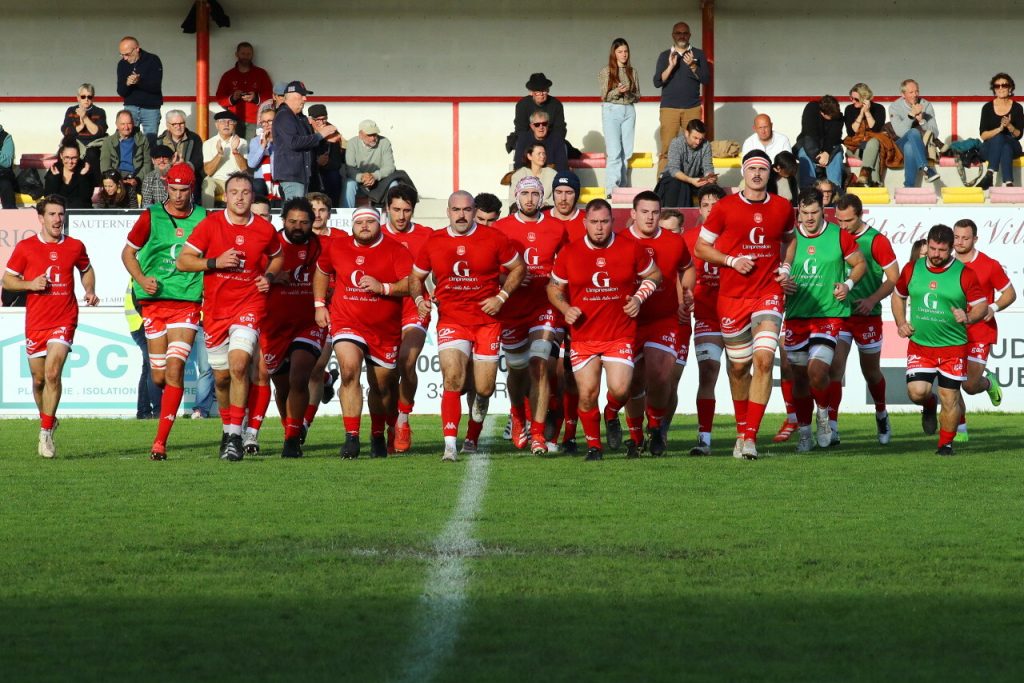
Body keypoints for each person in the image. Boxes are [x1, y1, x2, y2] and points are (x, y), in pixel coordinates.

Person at [694, 150, 796, 460]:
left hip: (767, 294)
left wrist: (786, 267)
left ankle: (750, 438)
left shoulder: (782, 207)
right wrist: (731, 260)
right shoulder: (724, 208)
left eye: (762, 170)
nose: (756, 174)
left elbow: (790, 240)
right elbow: (701, 247)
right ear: (743, 172)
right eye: (751, 168)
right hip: (732, 299)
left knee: (764, 360)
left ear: (770, 174)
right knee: (739, 369)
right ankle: (741, 431)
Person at [410, 191, 526, 461]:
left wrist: (501, 297)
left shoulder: (494, 238)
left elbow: (519, 268)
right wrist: (419, 299)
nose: (461, 215)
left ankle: (473, 435)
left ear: (474, 211)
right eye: (456, 210)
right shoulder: (434, 241)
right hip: (452, 319)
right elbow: (416, 277)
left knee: (483, 388)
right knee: (453, 379)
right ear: (448, 212)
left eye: (466, 209)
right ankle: (450, 444)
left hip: (487, 322)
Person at [176, 172, 283, 461]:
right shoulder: (211, 225)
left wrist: (269, 276)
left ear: (252, 196)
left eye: (245, 192)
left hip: (249, 306)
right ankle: (228, 428)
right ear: (226, 195)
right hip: (215, 312)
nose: (239, 197)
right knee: (221, 379)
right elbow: (183, 261)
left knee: (239, 365)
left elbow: (278, 256)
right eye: (234, 191)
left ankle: (236, 435)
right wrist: (214, 262)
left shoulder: (263, 229)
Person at [548, 199, 662, 460]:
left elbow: (654, 274)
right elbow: (553, 288)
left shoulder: (630, 248)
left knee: (621, 389)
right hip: (583, 335)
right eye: (595, 222)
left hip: (619, 333)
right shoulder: (570, 252)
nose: (600, 228)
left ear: (613, 221)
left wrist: (638, 298)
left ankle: (611, 413)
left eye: (605, 221)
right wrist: (566, 309)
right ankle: (594, 447)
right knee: (587, 394)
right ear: (585, 222)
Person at [121, 163, 207, 459]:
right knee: (158, 376)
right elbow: (128, 253)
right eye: (173, 189)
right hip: (154, 304)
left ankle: (160, 443)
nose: (179, 195)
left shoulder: (204, 218)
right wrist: (142, 279)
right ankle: (163, 419)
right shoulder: (151, 216)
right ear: (166, 186)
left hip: (186, 302)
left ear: (192, 188)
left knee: (175, 370)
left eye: (184, 190)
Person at [2, 195, 98, 457]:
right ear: (41, 218)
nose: (58, 219)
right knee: (38, 380)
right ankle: (47, 418)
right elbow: (8, 281)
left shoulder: (75, 246)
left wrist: (89, 290)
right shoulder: (26, 248)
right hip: (36, 322)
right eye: (53, 214)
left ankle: (45, 433)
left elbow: (86, 269)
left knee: (53, 373)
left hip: (64, 318)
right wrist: (30, 284)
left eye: (61, 214)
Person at [315, 207, 413, 458]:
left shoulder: (395, 250)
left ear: (379, 223)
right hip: (347, 321)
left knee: (383, 387)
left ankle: (378, 433)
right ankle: (352, 438)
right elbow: (322, 271)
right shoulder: (337, 246)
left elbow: (411, 284)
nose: (365, 226)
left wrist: (384, 287)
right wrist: (319, 304)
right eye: (360, 222)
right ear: (352, 225)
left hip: (384, 329)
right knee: (348, 371)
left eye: (371, 221)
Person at [892, 224, 988, 456]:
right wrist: (900, 322)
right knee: (917, 392)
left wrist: (968, 316)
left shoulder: (965, 273)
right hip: (921, 346)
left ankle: (945, 444)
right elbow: (898, 296)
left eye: (941, 250)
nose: (935, 254)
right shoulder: (912, 269)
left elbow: (981, 306)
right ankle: (927, 405)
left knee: (950, 398)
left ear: (951, 249)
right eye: (932, 248)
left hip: (953, 348)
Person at [783, 188, 866, 452]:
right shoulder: (788, 237)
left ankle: (824, 414)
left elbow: (860, 264)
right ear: (798, 211)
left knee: (817, 371)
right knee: (799, 380)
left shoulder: (839, 236)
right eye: (804, 213)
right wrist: (782, 284)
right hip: (796, 316)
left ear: (823, 210)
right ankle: (805, 432)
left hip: (829, 315)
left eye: (814, 212)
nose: (809, 218)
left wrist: (848, 284)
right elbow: (773, 272)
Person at [494, 176, 568, 455]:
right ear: (516, 196)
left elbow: (567, 265)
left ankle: (537, 434)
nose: (529, 199)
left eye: (534, 194)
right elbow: (490, 268)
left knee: (539, 363)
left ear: (541, 197)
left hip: (544, 307)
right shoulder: (501, 229)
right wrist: (507, 279)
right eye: (524, 193)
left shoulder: (556, 228)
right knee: (517, 370)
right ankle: (516, 413)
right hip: (512, 309)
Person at [613, 190, 690, 457]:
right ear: (632, 214)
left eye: (655, 212)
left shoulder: (674, 242)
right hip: (628, 322)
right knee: (632, 384)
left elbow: (687, 268)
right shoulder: (618, 241)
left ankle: (655, 428)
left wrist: (685, 295)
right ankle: (634, 437)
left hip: (663, 319)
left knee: (660, 376)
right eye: (644, 212)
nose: (650, 217)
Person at [830, 193, 899, 446]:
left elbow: (893, 278)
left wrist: (872, 299)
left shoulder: (876, 241)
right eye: (838, 219)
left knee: (871, 372)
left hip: (867, 316)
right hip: (841, 314)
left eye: (847, 220)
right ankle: (832, 427)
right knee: (835, 368)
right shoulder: (835, 237)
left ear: (860, 215)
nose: (842, 225)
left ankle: (881, 413)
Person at [260, 197, 325, 458]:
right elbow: (251, 275)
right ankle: (290, 427)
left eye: (304, 222)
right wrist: (271, 277)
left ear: (313, 223)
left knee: (299, 377)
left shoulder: (322, 247)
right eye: (293, 221)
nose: (298, 226)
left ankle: (291, 439)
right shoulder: (269, 246)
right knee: (283, 386)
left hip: (308, 323)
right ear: (283, 221)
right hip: (273, 324)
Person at [952, 218, 1016, 442]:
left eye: (965, 238)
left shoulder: (989, 265)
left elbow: (1010, 294)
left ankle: (988, 382)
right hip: (952, 332)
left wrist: (993, 306)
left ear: (975, 239)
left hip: (980, 331)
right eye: (956, 237)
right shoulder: (946, 264)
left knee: (969, 385)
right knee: (950, 381)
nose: (959, 242)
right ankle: (960, 429)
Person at [384, 184, 435, 453]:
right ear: (387, 209)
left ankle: (403, 419)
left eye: (406, 210)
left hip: (416, 308)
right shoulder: (376, 234)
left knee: (407, 362)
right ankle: (389, 422)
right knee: (385, 374)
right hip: (383, 311)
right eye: (396, 210)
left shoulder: (427, 236)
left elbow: (442, 265)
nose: (401, 216)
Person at [680, 184, 726, 454]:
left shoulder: (736, 235)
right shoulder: (689, 238)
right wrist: (684, 297)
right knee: (708, 372)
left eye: (715, 205)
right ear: (699, 209)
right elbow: (680, 272)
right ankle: (704, 438)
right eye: (706, 205)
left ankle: (745, 433)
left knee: (739, 373)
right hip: (707, 316)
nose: (710, 209)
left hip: (738, 314)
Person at [653, 22, 710, 174]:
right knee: (667, 149)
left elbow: (706, 80)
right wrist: (671, 66)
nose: (682, 36)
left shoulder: (698, 54)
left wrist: (692, 65)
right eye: (678, 33)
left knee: (693, 148)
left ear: (690, 35)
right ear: (673, 35)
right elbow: (657, 82)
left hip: (692, 108)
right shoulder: (665, 55)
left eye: (685, 33)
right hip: (669, 108)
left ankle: (690, 185)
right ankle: (663, 187)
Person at [273, 81, 336, 200]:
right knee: (295, 213)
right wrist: (320, 135)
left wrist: (324, 138)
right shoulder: (284, 115)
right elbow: (294, 142)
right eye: (301, 95)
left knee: (302, 213)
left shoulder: (300, 118)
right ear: (291, 95)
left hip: (305, 175)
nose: (305, 99)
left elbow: (309, 143)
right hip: (292, 175)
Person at [600, 38, 640, 197]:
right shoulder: (606, 71)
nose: (624, 54)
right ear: (614, 54)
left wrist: (628, 92)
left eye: (626, 51)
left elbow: (638, 96)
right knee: (614, 151)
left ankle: (622, 186)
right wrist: (618, 91)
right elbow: (604, 95)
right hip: (612, 110)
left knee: (627, 151)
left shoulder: (633, 71)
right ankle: (611, 188)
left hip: (629, 109)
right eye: (620, 52)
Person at [974, 73, 1024, 189]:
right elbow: (983, 136)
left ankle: (989, 175)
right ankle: (1009, 183)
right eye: (997, 86)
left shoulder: (1017, 108)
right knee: (1001, 141)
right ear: (994, 89)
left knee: (1005, 142)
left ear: (1010, 88)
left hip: (1013, 145)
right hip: (989, 148)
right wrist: (999, 129)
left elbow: (1018, 135)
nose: (1001, 88)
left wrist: (1010, 126)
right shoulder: (987, 107)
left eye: (1004, 85)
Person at [215, 41, 273, 140]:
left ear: (252, 55)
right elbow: (220, 98)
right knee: (235, 150)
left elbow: (270, 95)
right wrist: (233, 98)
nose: (246, 56)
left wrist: (256, 98)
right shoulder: (228, 75)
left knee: (252, 151)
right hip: (233, 121)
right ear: (236, 54)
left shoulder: (261, 74)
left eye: (248, 54)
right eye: (243, 54)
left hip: (256, 120)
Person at [889, 79, 940, 188]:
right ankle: (925, 168)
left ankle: (909, 186)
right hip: (899, 145)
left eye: (917, 91)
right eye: (911, 92)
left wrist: (922, 122)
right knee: (912, 133)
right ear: (903, 94)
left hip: (922, 145)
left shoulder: (926, 105)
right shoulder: (895, 107)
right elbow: (900, 132)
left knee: (910, 146)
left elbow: (935, 132)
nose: (915, 95)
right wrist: (911, 116)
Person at [116, 36, 163, 146]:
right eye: (122, 54)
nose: (125, 58)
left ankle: (148, 163)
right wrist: (127, 84)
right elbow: (121, 92)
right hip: (130, 107)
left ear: (137, 49)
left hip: (151, 108)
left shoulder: (152, 60)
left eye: (127, 54)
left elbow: (156, 86)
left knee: (150, 141)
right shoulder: (122, 64)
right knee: (127, 140)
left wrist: (139, 81)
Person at [344, 120, 402, 207]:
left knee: (394, 184)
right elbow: (350, 168)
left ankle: (392, 216)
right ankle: (347, 215)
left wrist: (374, 176)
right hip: (359, 182)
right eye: (369, 135)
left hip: (379, 180)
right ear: (360, 135)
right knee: (349, 184)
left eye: (375, 134)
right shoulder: (352, 143)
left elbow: (389, 166)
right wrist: (362, 177)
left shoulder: (384, 142)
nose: (373, 138)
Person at [662, 119, 716, 207]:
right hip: (674, 180)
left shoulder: (706, 145)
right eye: (695, 138)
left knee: (713, 189)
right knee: (679, 185)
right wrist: (690, 180)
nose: (698, 142)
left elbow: (707, 166)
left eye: (701, 139)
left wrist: (709, 176)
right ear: (687, 133)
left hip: (695, 180)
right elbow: (673, 170)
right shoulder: (676, 143)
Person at [843, 83, 887, 187]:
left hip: (871, 144)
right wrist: (861, 114)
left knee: (874, 142)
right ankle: (876, 184)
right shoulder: (849, 109)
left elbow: (876, 129)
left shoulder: (879, 108)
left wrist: (867, 112)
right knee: (874, 152)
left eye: (856, 99)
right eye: (851, 98)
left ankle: (865, 176)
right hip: (855, 146)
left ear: (865, 98)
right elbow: (851, 132)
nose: (853, 101)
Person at [795, 95, 844, 189]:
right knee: (804, 156)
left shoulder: (838, 115)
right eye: (831, 116)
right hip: (809, 145)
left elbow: (834, 137)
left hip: (830, 147)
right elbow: (809, 134)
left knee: (837, 157)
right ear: (822, 113)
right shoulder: (811, 109)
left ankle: (835, 190)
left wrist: (826, 152)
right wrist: (817, 157)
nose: (834, 117)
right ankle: (807, 190)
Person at [201, 111, 248, 208]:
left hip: (236, 180)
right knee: (207, 182)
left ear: (235, 125)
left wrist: (235, 151)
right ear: (216, 125)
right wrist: (219, 154)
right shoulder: (208, 143)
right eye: (222, 121)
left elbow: (244, 168)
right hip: (217, 181)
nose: (226, 124)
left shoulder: (242, 142)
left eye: (230, 121)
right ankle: (207, 215)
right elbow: (208, 171)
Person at [60, 83, 107, 178]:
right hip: (76, 143)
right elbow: (66, 131)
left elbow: (98, 133)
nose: (86, 99)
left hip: (93, 144)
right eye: (83, 96)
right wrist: (80, 127)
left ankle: (96, 185)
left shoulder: (100, 112)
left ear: (93, 98)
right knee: (65, 154)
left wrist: (85, 118)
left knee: (92, 154)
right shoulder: (71, 111)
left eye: (89, 97)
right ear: (78, 98)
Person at [99, 110, 151, 193]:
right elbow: (105, 166)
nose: (126, 127)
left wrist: (137, 179)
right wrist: (117, 180)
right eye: (123, 124)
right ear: (117, 125)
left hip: (136, 175)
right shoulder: (108, 142)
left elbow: (147, 164)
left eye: (129, 123)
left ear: (133, 124)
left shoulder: (143, 140)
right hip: (116, 177)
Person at [308, 104, 345, 207]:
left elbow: (337, 162)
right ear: (310, 120)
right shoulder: (305, 131)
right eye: (317, 120)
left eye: (324, 119)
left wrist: (325, 163)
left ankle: (333, 208)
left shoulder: (332, 132)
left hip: (327, 169)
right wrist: (317, 162)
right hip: (310, 169)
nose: (321, 122)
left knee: (334, 177)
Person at [514, 72, 567, 141]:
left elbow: (560, 129)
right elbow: (521, 129)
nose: (541, 94)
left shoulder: (556, 104)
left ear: (548, 90)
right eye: (537, 91)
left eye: (544, 90)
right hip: (528, 140)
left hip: (551, 139)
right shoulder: (522, 105)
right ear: (531, 92)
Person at [156, 110, 204, 182]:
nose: (178, 127)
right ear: (168, 125)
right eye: (174, 124)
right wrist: (170, 165)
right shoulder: (160, 141)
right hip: (166, 176)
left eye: (181, 123)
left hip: (188, 176)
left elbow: (198, 160)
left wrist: (184, 165)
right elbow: (157, 163)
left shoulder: (194, 138)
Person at [44, 143, 95, 209]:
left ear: (79, 156)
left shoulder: (85, 170)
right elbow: (48, 197)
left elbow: (85, 197)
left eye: (74, 158)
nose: (70, 162)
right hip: (59, 212)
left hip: (79, 211)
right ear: (61, 156)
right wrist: (55, 179)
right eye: (67, 157)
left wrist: (83, 177)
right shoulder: (55, 169)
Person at [247, 107, 279, 202]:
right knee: (257, 185)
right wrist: (263, 145)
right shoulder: (255, 141)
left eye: (270, 121)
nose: (266, 125)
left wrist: (274, 143)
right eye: (263, 122)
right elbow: (251, 164)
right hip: (261, 180)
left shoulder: (283, 140)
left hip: (279, 178)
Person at [546, 171, 587, 241]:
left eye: (569, 193)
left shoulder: (589, 221)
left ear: (576, 195)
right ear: (553, 194)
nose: (563, 198)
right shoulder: (540, 218)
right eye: (559, 192)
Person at [0, 124, 15, 208]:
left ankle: (11, 219)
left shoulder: (6, 137)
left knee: (6, 185)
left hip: (2, 175)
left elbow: (7, 162)